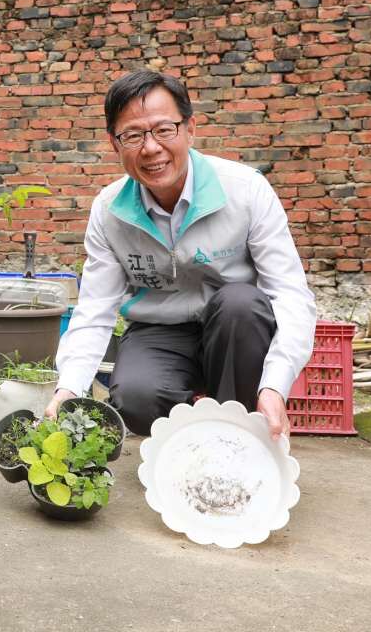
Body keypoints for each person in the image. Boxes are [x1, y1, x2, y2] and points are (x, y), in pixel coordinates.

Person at [46, 70, 316, 440]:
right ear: (115, 144)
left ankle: (236, 434)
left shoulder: (245, 191)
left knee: (241, 303)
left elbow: (290, 294)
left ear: (190, 128)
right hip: (160, 330)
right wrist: (69, 389)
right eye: (133, 135)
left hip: (236, 332)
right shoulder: (109, 210)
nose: (151, 148)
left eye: (164, 130)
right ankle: (189, 432)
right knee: (136, 400)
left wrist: (274, 386)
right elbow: (95, 308)